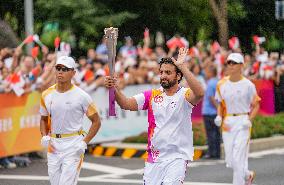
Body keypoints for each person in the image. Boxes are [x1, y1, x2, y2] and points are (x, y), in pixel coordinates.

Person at [105, 48, 204, 185]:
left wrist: (182, 66)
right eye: (161, 72)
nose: (163, 75)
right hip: (154, 158)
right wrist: (114, 89)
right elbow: (126, 104)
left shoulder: (184, 95)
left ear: (178, 76)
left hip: (177, 157)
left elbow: (199, 93)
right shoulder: (151, 95)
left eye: (168, 72)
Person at [39, 56, 101, 185]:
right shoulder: (46, 94)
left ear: (73, 73)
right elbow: (43, 119)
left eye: (65, 69)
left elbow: (96, 121)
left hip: (73, 145)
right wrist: (44, 135)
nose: (60, 72)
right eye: (58, 68)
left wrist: (84, 142)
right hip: (54, 145)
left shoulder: (82, 96)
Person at [214, 53, 260, 185]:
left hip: (243, 122)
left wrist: (249, 120)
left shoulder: (248, 85)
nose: (231, 65)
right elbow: (220, 104)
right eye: (229, 62)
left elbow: (256, 105)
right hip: (228, 122)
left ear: (241, 65)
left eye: (234, 63)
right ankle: (247, 175)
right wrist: (219, 115)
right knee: (230, 160)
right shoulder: (221, 84)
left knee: (239, 157)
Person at [201, 65, 220, 159]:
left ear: (211, 72)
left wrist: (217, 108)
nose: (205, 73)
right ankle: (217, 152)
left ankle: (211, 152)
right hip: (215, 113)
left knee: (210, 133)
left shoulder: (210, 83)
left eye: (207, 71)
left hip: (209, 112)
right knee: (216, 133)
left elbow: (211, 97)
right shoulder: (218, 82)